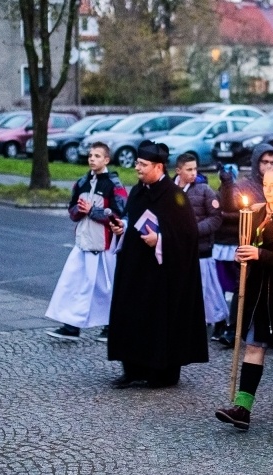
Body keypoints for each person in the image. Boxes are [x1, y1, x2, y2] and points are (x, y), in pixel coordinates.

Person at [107, 140, 208, 388]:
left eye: (143, 164)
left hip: (164, 274)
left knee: (159, 321)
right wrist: (123, 227)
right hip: (135, 268)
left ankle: (161, 372)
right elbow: (133, 218)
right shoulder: (138, 191)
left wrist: (160, 240)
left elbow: (188, 235)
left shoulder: (174, 196)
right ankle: (132, 369)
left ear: (159, 167)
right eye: (137, 163)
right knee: (131, 315)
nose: (138, 168)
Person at [215, 164, 273, 431]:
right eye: (265, 184)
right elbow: (247, 245)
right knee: (254, 346)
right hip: (256, 293)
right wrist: (242, 255)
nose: (267, 190)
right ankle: (243, 409)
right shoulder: (256, 213)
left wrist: (260, 255)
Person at [45, 142, 127, 341]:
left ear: (106, 160)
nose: (92, 159)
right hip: (82, 245)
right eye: (90, 155)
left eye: (97, 156)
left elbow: (119, 215)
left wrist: (92, 210)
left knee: (106, 289)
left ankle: (111, 328)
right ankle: (71, 327)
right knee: (72, 286)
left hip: (104, 248)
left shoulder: (115, 185)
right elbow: (72, 209)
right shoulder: (81, 182)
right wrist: (79, 211)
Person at [214, 144, 273, 348]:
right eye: (264, 162)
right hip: (250, 242)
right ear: (256, 162)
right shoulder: (245, 185)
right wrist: (226, 184)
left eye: (272, 162)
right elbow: (230, 205)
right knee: (241, 285)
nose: (268, 166)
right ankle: (233, 329)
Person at [173, 152, 228, 329]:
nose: (193, 173)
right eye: (189, 169)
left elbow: (216, 218)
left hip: (200, 250)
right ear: (178, 170)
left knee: (207, 290)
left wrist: (195, 231)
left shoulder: (204, 190)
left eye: (195, 168)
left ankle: (216, 321)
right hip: (176, 250)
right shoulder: (169, 190)